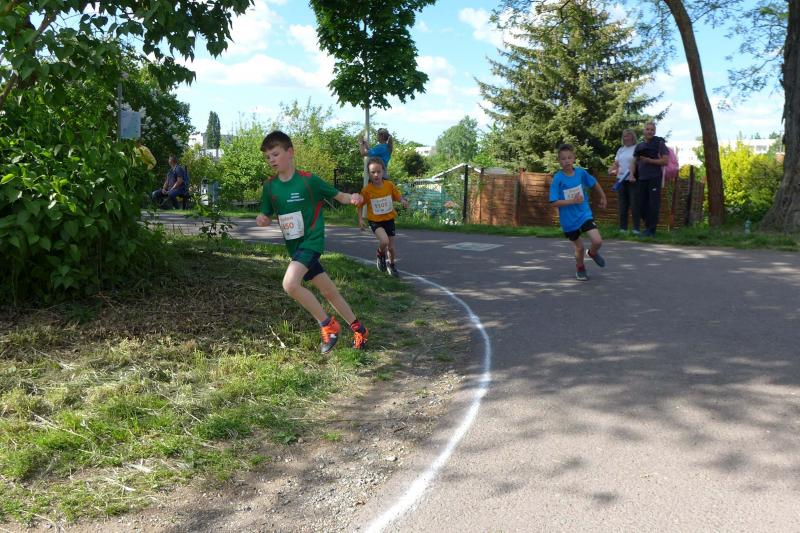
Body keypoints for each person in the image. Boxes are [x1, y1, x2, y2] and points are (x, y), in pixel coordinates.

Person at [256, 130, 369, 354]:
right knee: (329, 292)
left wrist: (354, 197)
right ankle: (360, 329)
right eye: (268, 157)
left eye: (275, 154)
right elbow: (265, 213)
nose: (271, 160)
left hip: (311, 242)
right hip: (295, 248)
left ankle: (328, 325)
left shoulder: (309, 181)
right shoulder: (269, 187)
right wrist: (262, 218)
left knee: (290, 284)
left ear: (290, 152)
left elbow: (340, 196)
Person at [549, 144, 608, 281]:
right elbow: (553, 202)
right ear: (559, 161)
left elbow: (594, 183)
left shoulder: (581, 173)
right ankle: (580, 268)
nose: (567, 161)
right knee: (579, 248)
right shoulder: (558, 178)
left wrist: (603, 196)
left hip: (584, 214)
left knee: (597, 241)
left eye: (569, 157)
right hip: (568, 220)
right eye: (563, 159)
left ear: (574, 158)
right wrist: (572, 201)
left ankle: (592, 253)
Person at [357, 157, 409, 277]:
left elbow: (398, 196)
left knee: (391, 247)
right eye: (373, 172)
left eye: (378, 172)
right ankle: (380, 254)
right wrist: (360, 219)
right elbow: (359, 205)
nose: (376, 175)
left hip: (389, 219)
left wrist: (403, 201)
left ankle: (392, 265)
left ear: (383, 172)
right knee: (384, 241)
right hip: (375, 221)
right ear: (368, 174)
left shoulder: (389, 185)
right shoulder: (367, 190)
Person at [631, 121, 668, 237]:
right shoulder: (639, 146)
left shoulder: (660, 144)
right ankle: (648, 228)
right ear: (644, 131)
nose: (650, 131)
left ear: (655, 131)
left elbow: (665, 161)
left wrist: (649, 161)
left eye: (652, 130)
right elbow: (634, 162)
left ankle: (651, 231)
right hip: (641, 178)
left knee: (653, 205)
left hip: (654, 178)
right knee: (640, 205)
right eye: (647, 129)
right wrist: (631, 175)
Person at [608, 129, 640, 234]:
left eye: (628, 136)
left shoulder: (636, 148)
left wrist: (632, 174)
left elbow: (636, 162)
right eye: (624, 136)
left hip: (633, 180)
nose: (626, 138)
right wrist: (611, 169)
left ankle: (636, 229)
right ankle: (623, 229)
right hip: (620, 180)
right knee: (622, 205)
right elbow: (616, 164)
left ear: (633, 137)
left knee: (634, 204)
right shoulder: (620, 150)